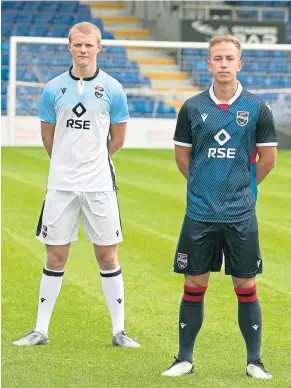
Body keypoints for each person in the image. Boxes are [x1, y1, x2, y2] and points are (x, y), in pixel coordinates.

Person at [13, 22, 140, 349]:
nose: (83, 49)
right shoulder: (53, 88)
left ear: (99, 48)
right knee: (55, 256)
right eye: (77, 44)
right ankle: (40, 330)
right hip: (61, 185)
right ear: (69, 47)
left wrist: (92, 161)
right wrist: (67, 162)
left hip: (99, 185)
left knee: (107, 255)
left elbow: (120, 138)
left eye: (89, 45)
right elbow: (47, 136)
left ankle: (119, 331)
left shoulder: (113, 88)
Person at [162, 35, 277, 379]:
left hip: (240, 215)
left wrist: (239, 187)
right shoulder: (193, 107)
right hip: (199, 214)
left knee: (245, 285)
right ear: (208, 64)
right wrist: (204, 186)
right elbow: (183, 158)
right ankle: (184, 358)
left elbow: (267, 160)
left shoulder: (257, 108)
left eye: (230, 58)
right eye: (218, 58)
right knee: (194, 282)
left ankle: (254, 361)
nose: (224, 64)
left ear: (239, 64)